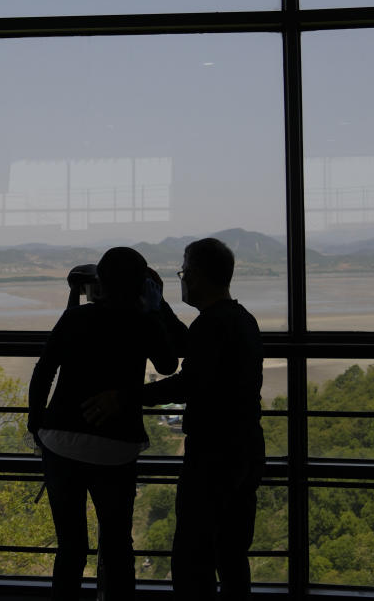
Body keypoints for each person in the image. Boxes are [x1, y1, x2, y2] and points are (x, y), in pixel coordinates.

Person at [84, 237, 264, 600]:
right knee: (231, 552)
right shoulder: (241, 319)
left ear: (195, 275)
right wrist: (158, 308)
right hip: (246, 449)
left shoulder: (211, 325)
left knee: (192, 555)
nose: (182, 278)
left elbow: (188, 382)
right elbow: (188, 345)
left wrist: (124, 398)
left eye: (184, 271)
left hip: (213, 454)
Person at [28, 246, 182, 600]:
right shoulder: (143, 321)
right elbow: (168, 365)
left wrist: (36, 424)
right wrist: (155, 309)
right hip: (116, 447)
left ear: (101, 282)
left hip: (60, 440)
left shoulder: (74, 319)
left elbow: (44, 370)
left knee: (71, 546)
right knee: (116, 543)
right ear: (142, 285)